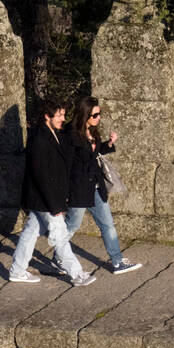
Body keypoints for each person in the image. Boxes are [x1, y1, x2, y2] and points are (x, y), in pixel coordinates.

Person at [8, 98, 95, 286]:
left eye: (63, 114)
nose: (62, 118)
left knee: (30, 233)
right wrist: (55, 205)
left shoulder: (53, 133)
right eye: (59, 115)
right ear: (47, 116)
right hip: (45, 199)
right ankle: (77, 275)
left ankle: (17, 270)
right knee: (60, 236)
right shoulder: (39, 139)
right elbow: (41, 176)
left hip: (45, 198)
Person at [65, 97, 142, 276]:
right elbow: (66, 165)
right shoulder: (71, 135)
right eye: (95, 115)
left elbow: (95, 153)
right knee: (72, 226)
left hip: (96, 187)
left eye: (99, 114)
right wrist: (65, 193)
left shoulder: (93, 130)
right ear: (85, 115)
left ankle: (117, 261)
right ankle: (59, 257)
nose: (99, 118)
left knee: (108, 225)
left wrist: (109, 144)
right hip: (78, 188)